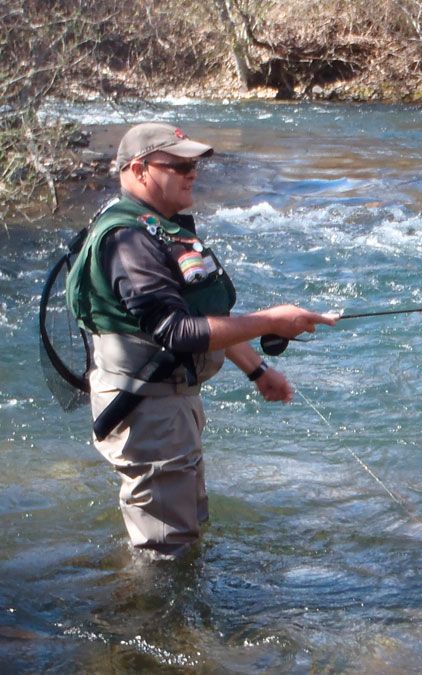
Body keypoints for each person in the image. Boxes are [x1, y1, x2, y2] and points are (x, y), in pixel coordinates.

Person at [65, 122, 337, 558]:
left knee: (184, 532)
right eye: (179, 165)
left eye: (194, 164)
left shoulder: (157, 227)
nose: (192, 173)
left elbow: (201, 319)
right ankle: (150, 624)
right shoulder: (128, 240)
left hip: (169, 404)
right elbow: (177, 330)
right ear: (138, 169)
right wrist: (271, 320)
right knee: (164, 551)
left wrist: (258, 368)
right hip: (147, 411)